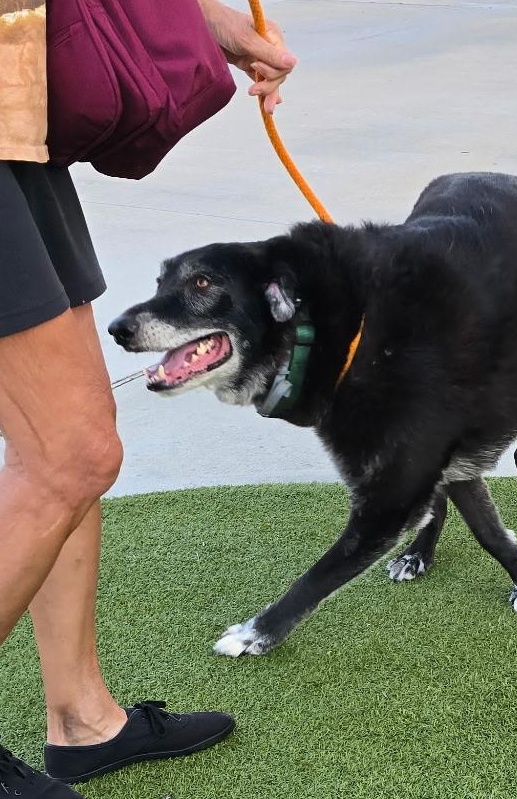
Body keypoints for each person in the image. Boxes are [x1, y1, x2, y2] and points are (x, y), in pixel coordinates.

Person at [0, 1, 296, 796]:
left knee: (66, 452)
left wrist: (210, 20)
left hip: (13, 105)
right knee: (73, 454)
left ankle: (84, 721)